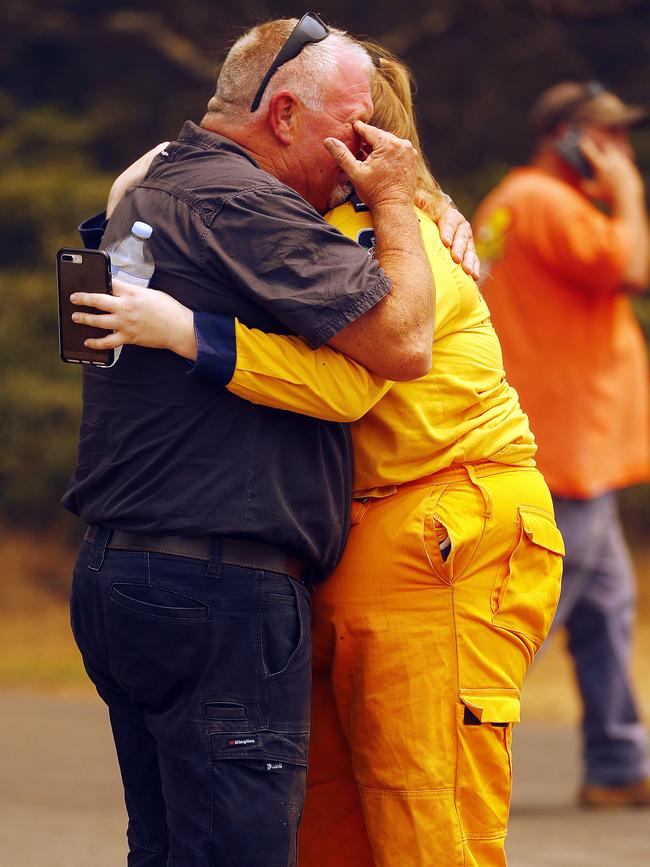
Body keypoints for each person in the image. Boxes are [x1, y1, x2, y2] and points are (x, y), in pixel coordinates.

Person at [73, 42, 564, 867]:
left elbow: (355, 385)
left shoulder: (400, 249)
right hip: (355, 545)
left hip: (443, 519)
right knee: (328, 833)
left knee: (424, 817)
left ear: (368, 150)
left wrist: (191, 333)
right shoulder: (292, 223)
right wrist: (187, 147)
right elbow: (145, 188)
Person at [473, 81, 650, 807]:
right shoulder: (551, 204)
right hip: (565, 444)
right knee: (525, 621)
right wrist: (630, 193)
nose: (620, 150)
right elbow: (634, 269)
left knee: (606, 609)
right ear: (569, 136)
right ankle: (447, 750)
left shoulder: (511, 202)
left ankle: (618, 764)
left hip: (574, 442)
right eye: (607, 137)